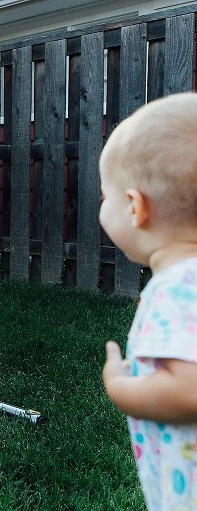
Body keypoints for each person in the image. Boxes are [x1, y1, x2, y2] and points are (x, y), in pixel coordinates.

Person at [100, 93, 197, 510]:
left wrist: (121, 387)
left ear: (135, 207)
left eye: (106, 197)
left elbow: (189, 390)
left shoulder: (176, 288)